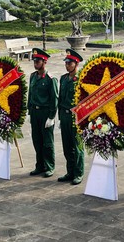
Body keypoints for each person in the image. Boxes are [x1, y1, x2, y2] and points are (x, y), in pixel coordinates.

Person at [28, 48, 59, 177]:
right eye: (34, 60)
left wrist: (51, 117)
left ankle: (50, 166)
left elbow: (54, 99)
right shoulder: (32, 76)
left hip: (45, 113)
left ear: (44, 62)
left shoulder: (51, 79)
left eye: (38, 60)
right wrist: (30, 112)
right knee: (37, 140)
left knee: (47, 142)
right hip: (35, 113)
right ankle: (39, 165)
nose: (35, 63)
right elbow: (31, 95)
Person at [58, 49, 84, 185]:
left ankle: (78, 173)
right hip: (65, 115)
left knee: (77, 146)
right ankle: (70, 171)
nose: (67, 65)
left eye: (70, 63)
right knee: (67, 146)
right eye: (66, 63)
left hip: (76, 117)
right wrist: (59, 117)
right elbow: (60, 98)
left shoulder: (81, 79)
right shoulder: (63, 78)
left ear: (76, 63)